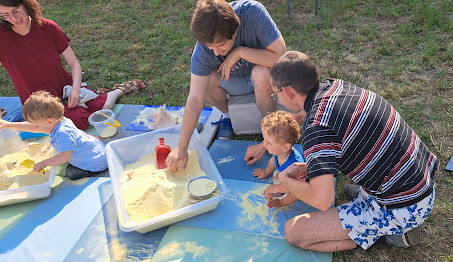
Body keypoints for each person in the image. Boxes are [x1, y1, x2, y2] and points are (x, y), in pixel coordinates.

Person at [265, 51, 439, 252]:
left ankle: (394, 234)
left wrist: (285, 180)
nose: (276, 98)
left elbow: (322, 200)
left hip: (404, 206)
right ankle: (368, 203)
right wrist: (309, 166)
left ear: (287, 92)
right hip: (421, 181)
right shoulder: (336, 87)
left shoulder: (317, 129)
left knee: (294, 232)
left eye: (274, 93)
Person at [166, 0, 287, 172]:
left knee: (261, 74)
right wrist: (181, 146)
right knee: (205, 80)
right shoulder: (202, 51)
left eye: (221, 45)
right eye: (210, 46)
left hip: (264, 75)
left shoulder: (252, 12)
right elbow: (195, 98)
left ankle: (269, 129)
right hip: (232, 81)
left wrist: (240, 52)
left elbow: (282, 57)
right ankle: (229, 117)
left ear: (236, 30)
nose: (216, 52)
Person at [0, 0, 146, 130]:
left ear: (25, 5)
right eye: (5, 15)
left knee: (104, 108)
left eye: (15, 11)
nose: (13, 18)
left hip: (64, 88)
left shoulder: (48, 27)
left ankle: (119, 90)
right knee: (69, 123)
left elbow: (74, 64)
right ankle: (93, 95)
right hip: (38, 101)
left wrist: (75, 90)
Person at [0, 91, 108, 180]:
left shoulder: (62, 134)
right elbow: (32, 127)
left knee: (70, 173)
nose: (34, 128)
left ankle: (92, 170)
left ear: (49, 121)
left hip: (96, 163)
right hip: (96, 148)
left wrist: (44, 163)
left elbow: (65, 157)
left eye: (37, 126)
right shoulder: (60, 120)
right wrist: (8, 124)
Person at [252, 111, 303, 208]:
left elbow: (295, 186)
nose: (264, 144)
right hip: (286, 177)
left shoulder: (294, 165)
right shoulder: (278, 151)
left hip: (296, 184)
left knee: (295, 194)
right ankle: (279, 191)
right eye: (264, 140)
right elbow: (272, 161)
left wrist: (276, 188)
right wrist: (266, 172)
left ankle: (281, 202)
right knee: (277, 175)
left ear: (285, 147)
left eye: (269, 143)